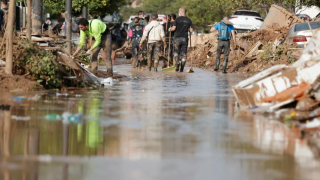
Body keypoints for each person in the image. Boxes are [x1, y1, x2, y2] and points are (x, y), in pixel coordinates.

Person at [170, 8, 193, 72]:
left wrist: (170, 29)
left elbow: (174, 28)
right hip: (185, 39)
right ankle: (182, 69)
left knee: (176, 53)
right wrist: (188, 29)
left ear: (181, 12)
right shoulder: (189, 20)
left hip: (177, 38)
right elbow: (191, 30)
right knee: (183, 54)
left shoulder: (177, 19)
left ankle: (177, 63)